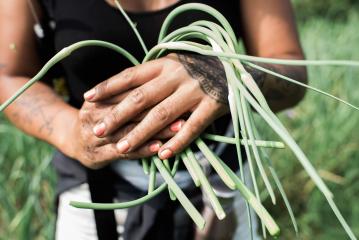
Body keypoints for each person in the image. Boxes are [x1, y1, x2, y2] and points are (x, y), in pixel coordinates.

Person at [0, 0, 307, 239]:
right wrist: (72, 133)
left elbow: (291, 68)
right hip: (97, 199)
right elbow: (9, 75)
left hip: (224, 187)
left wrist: (227, 76)